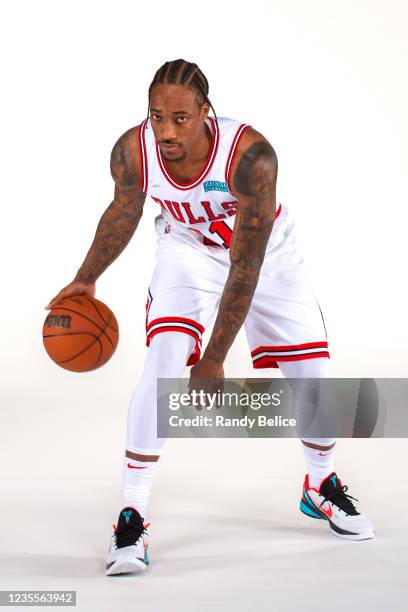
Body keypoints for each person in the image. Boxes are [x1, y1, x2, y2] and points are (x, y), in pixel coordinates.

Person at [45, 59, 374, 576]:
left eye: (179, 118)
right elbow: (124, 210)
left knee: (314, 374)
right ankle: (131, 515)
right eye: (156, 117)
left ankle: (320, 484)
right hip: (187, 249)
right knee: (166, 358)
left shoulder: (250, 157)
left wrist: (216, 357)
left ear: (206, 113)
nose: (166, 130)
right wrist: (87, 278)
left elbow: (246, 264)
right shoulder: (134, 150)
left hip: (265, 255)